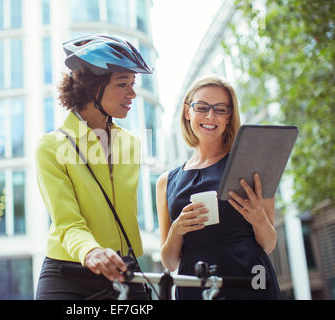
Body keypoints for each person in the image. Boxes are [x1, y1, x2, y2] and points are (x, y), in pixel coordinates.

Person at [35, 34, 153, 300]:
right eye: (123, 84)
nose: (132, 93)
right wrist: (91, 251)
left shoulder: (130, 143)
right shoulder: (51, 147)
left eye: (133, 84)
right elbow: (67, 223)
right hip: (69, 275)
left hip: (124, 270)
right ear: (91, 88)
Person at [156, 75, 282, 300]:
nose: (210, 116)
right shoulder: (166, 181)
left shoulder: (252, 164)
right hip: (194, 284)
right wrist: (177, 229)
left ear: (229, 116)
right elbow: (169, 262)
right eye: (202, 107)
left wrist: (258, 218)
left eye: (220, 109)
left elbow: (269, 244)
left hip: (250, 281)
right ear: (188, 111)